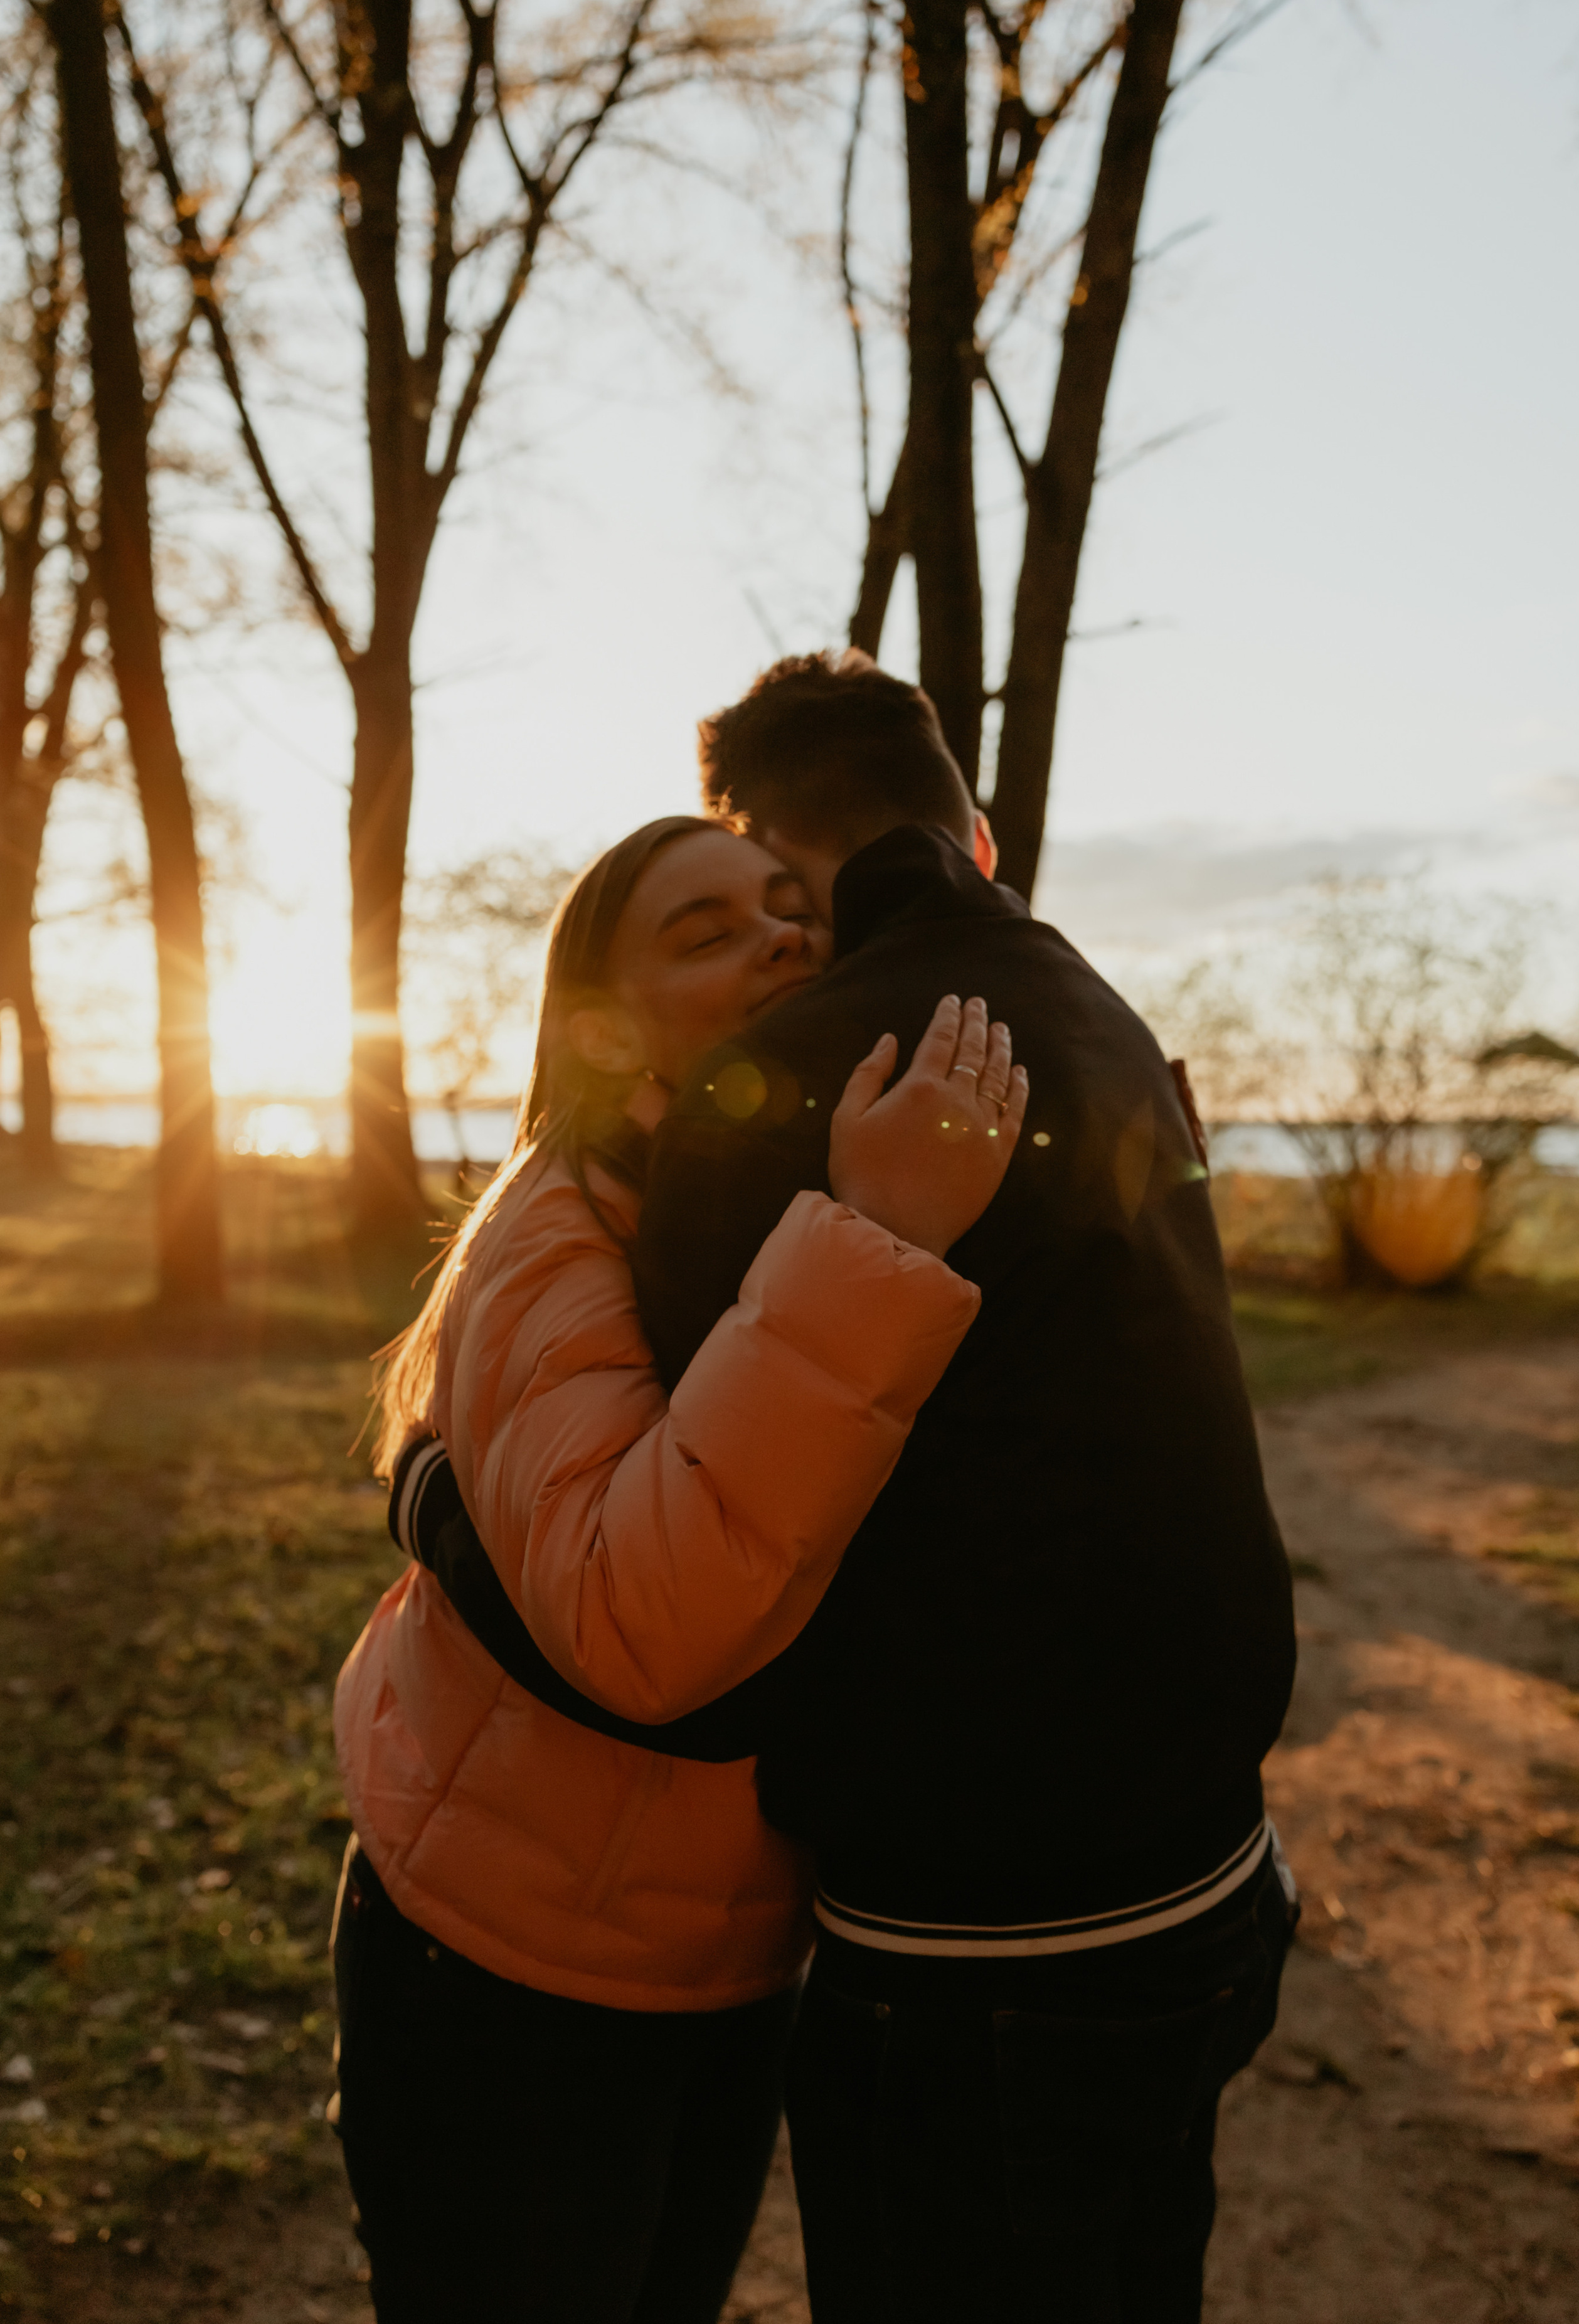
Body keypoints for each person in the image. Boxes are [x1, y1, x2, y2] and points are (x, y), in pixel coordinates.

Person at [625, 653, 1300, 2323]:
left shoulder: (780, 1077)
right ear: (971, 830)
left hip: (982, 1938)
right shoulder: (1101, 1014)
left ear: (781, 859)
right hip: (1213, 1874)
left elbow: (688, 1518)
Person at [329, 811, 1026, 2323]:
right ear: (597, 1029)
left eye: (789, 908)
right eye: (704, 930)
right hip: (508, 1973)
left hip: (725, 1963)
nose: (780, 932)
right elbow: (647, 1628)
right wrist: (878, 1235)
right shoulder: (557, 1234)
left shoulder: (749, 1205)